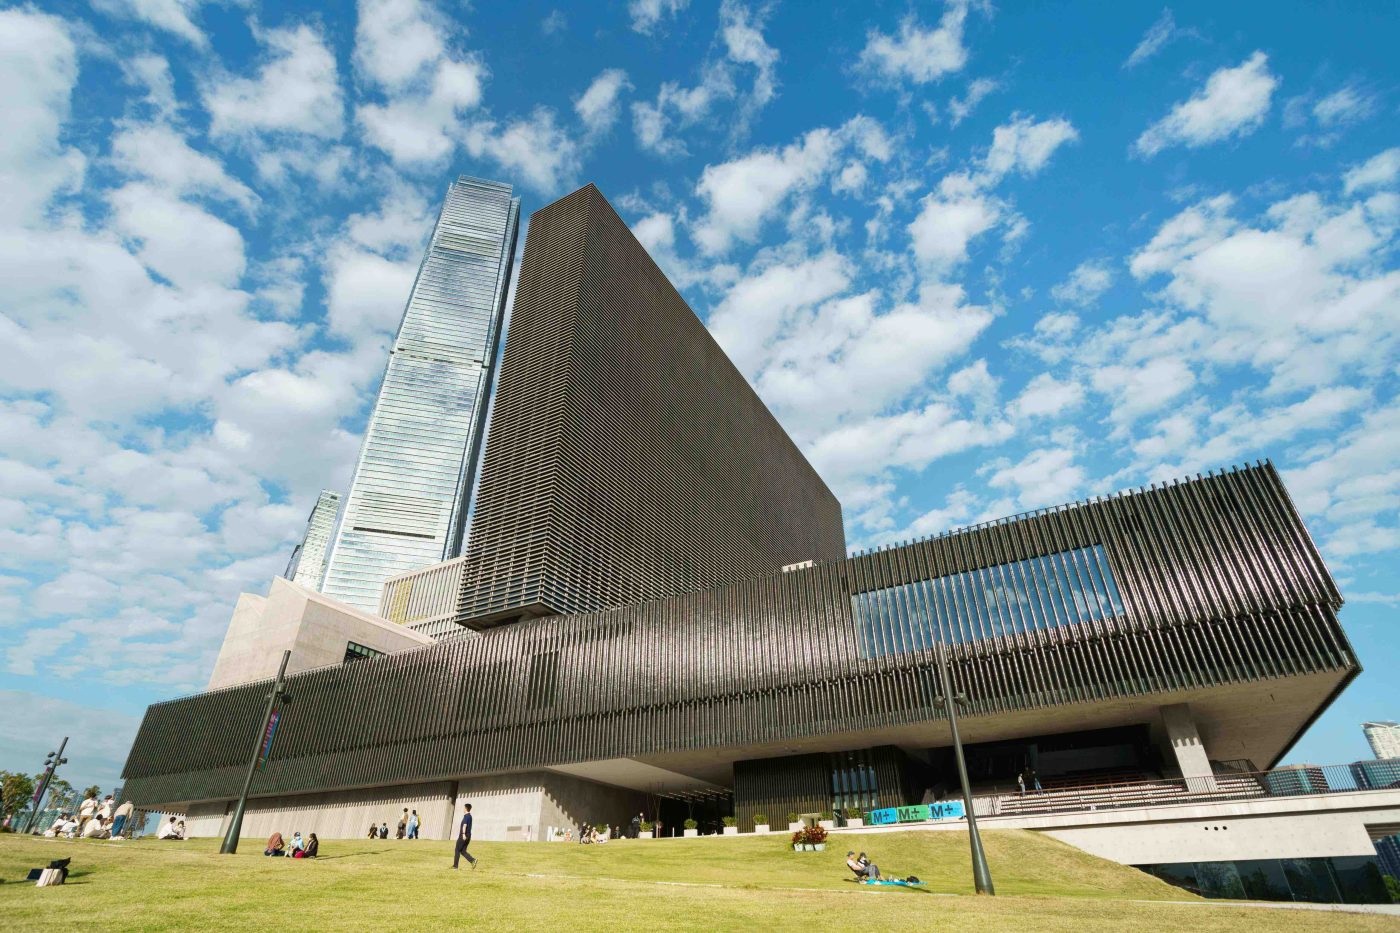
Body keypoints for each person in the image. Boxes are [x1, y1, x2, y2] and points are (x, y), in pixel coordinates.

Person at [452, 802, 477, 870]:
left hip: (463, 836)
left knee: (457, 849)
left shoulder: (466, 816)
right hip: (468, 836)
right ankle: (473, 860)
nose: (463, 809)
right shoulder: (470, 816)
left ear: (466, 808)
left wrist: (463, 834)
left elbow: (464, 825)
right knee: (463, 851)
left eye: (464, 808)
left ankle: (455, 866)